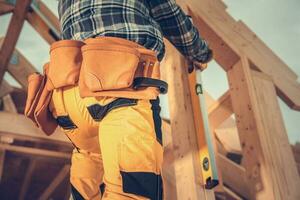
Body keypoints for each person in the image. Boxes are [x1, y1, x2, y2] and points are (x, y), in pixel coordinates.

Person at [51, 0, 212, 199]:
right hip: (121, 86)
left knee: (87, 173)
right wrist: (202, 53)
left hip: (70, 98)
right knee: (131, 193)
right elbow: (173, 19)